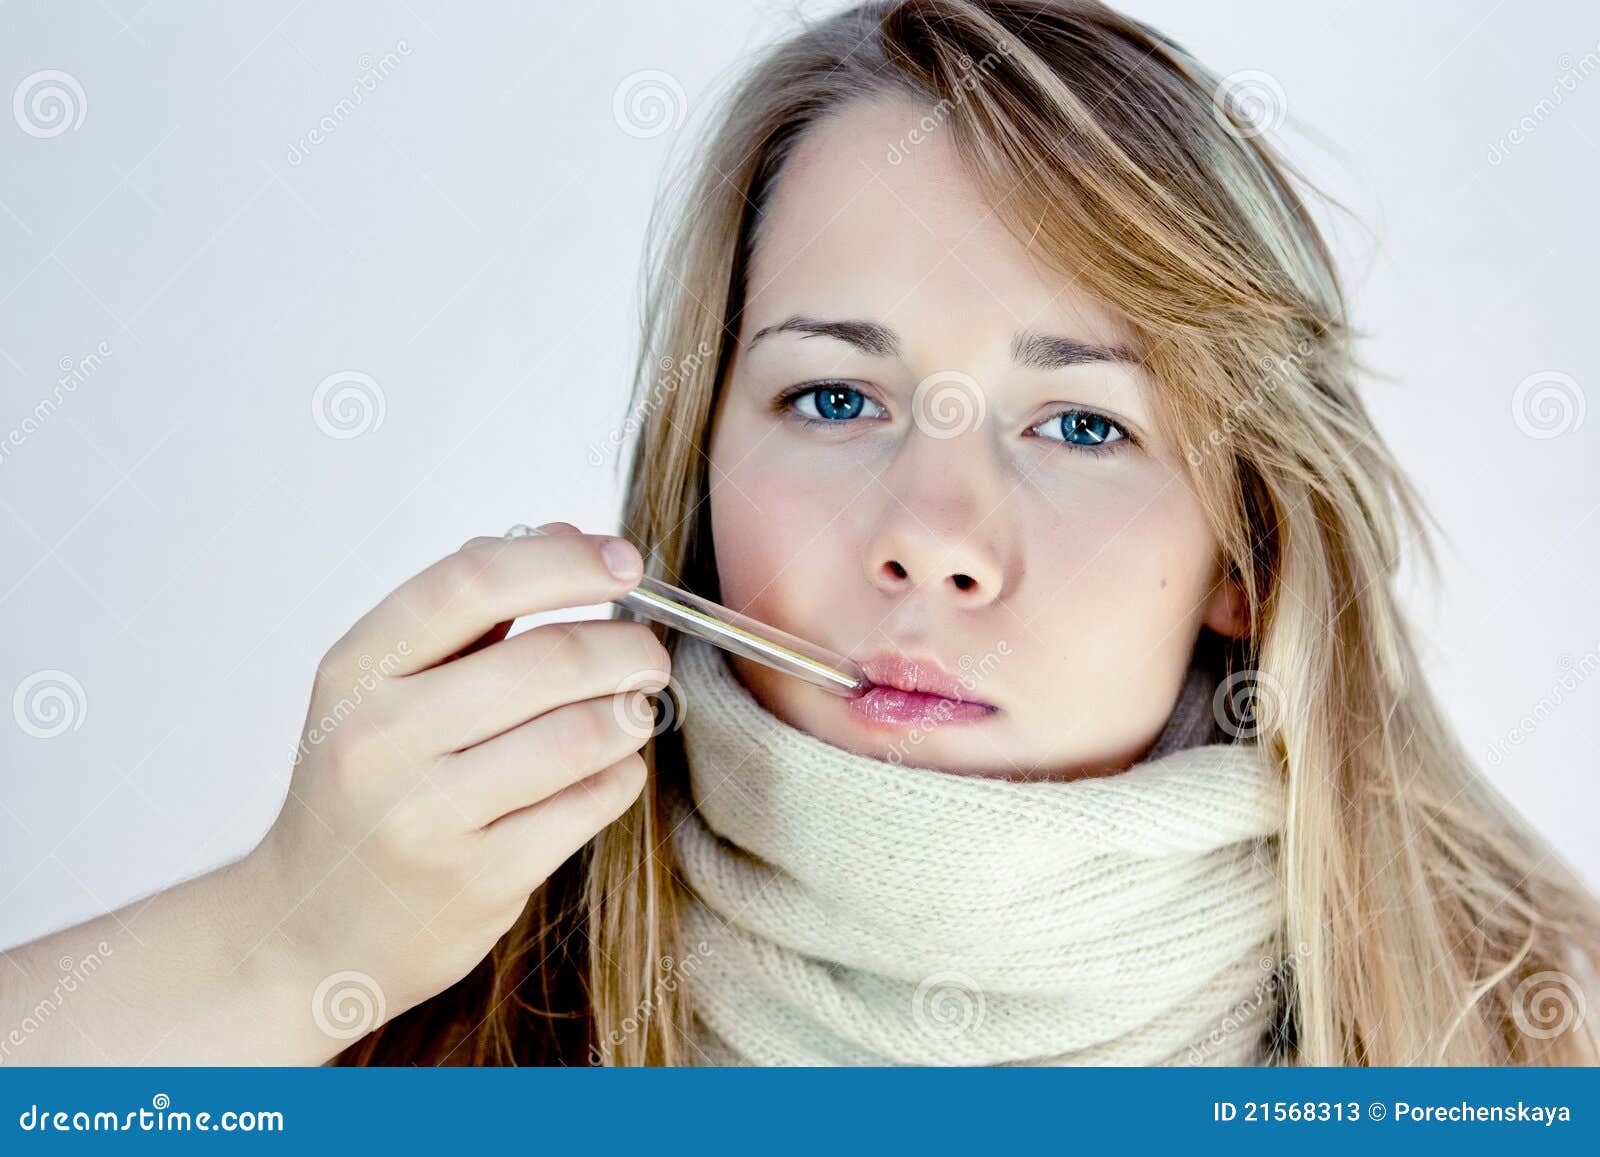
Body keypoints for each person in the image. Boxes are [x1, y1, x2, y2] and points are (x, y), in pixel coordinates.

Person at [4, 0, 1596, 1066]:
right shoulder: (433, 1007)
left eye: (1086, 424)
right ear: (698, 475)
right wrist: (284, 937)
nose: (933, 537)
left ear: (1245, 561)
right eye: (836, 400)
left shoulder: (1539, 1041)